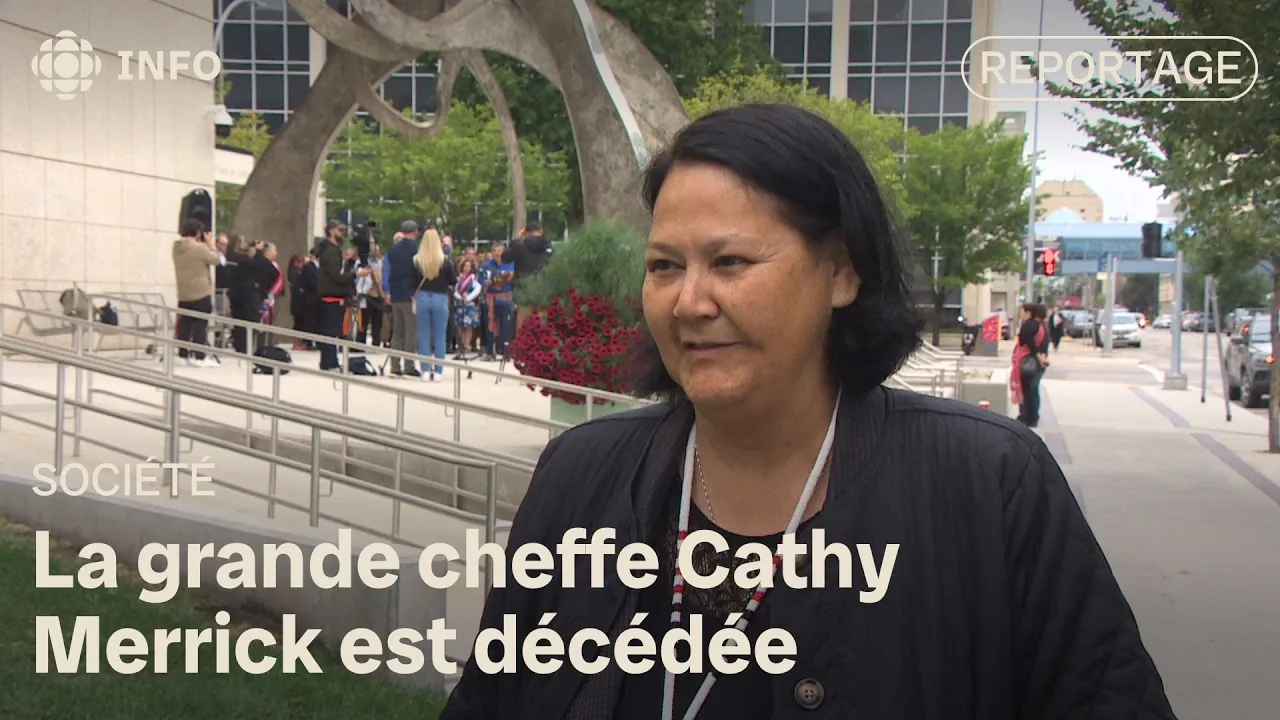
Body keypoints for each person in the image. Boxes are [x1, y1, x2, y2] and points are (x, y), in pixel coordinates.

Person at [440, 104, 1175, 720]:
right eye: (665, 266)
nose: (689, 301)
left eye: (730, 262)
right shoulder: (582, 476)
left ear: (842, 272)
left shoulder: (989, 485)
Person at [315, 219, 369, 371]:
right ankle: (329, 362)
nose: (343, 233)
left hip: (332, 296)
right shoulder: (331, 251)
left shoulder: (331, 250)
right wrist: (356, 274)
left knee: (330, 331)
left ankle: (328, 361)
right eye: (340, 230)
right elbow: (336, 276)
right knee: (331, 331)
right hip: (332, 297)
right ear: (331, 231)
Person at [171, 218, 219, 366]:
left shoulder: (176, 247)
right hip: (201, 292)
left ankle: (183, 354)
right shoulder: (200, 248)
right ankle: (200, 356)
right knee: (200, 325)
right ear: (198, 233)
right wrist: (210, 244)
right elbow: (216, 260)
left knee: (184, 324)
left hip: (184, 292)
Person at [414, 227, 457, 381]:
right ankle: (438, 371)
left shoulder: (417, 260)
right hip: (440, 297)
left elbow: (413, 281)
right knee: (440, 335)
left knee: (424, 335)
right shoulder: (445, 261)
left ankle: (425, 370)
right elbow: (453, 280)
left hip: (423, 297)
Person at [385, 222, 422, 376]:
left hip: (396, 295)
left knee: (397, 332)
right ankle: (409, 365)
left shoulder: (393, 250)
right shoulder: (416, 249)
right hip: (411, 294)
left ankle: (394, 365)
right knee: (411, 332)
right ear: (415, 232)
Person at [1011, 303, 1049, 428]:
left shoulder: (1029, 326)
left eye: (1022, 312)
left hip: (1028, 362)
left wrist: (1039, 357)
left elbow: (1030, 344)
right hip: (1038, 363)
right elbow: (1044, 345)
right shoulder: (1043, 327)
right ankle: (1033, 417)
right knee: (1033, 390)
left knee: (1026, 390)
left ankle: (1026, 417)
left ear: (1028, 313)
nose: (1020, 314)